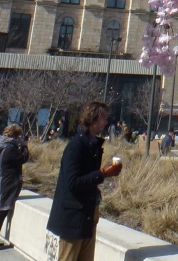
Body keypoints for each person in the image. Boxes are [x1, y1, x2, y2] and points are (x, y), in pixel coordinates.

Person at [47, 100, 123, 261]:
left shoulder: (91, 145)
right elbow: (73, 183)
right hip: (73, 217)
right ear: (92, 118)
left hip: (88, 214)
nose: (105, 122)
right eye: (102, 117)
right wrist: (103, 173)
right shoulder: (76, 146)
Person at [0, 124, 29, 244]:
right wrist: (25, 147)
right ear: (16, 136)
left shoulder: (2, 145)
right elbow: (22, 159)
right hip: (7, 182)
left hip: (2, 179)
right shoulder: (10, 148)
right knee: (2, 211)